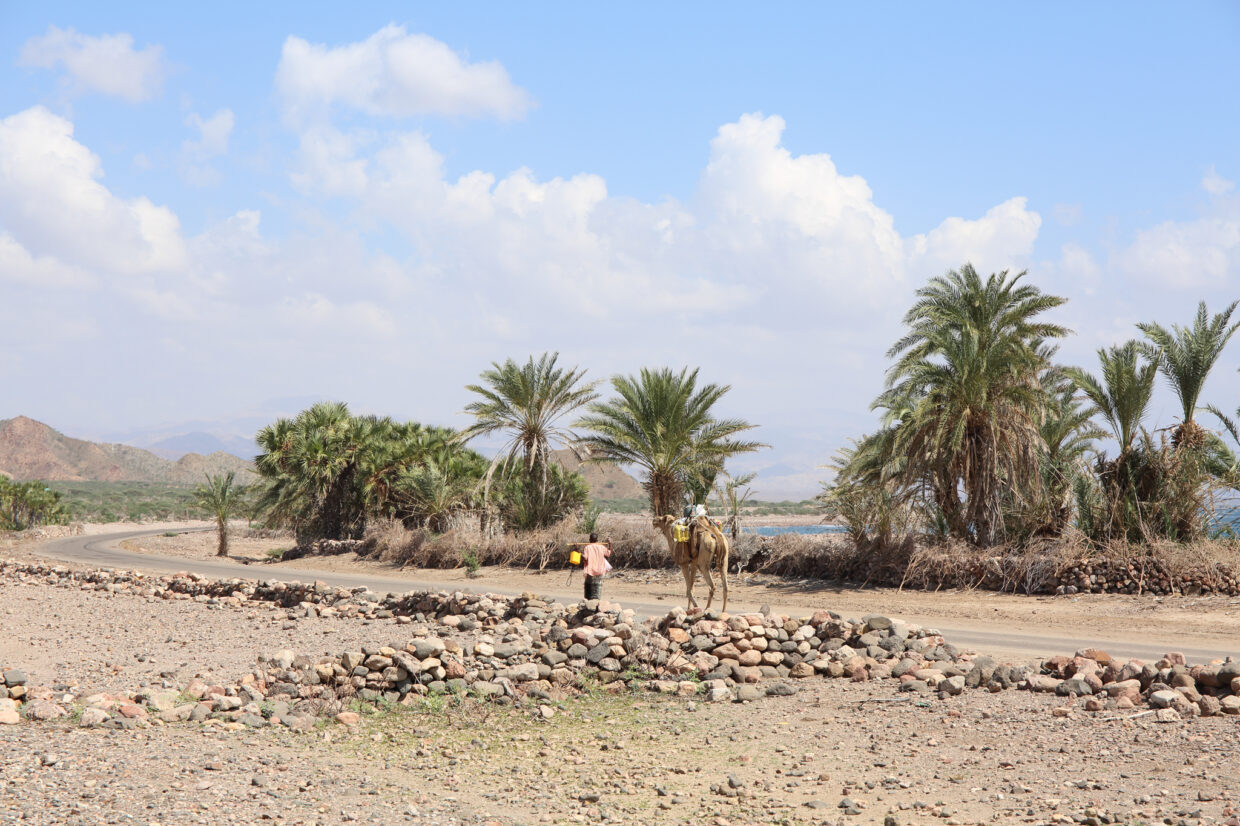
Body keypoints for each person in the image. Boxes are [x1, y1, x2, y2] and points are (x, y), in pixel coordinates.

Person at [581, 532, 612, 601]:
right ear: (597, 540)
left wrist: (578, 552)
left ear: (589, 540)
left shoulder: (587, 547)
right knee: (597, 586)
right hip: (600, 570)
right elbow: (608, 553)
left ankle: (588, 602)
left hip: (590, 571)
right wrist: (610, 544)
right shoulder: (601, 547)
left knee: (588, 586)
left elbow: (585, 558)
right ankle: (597, 601)